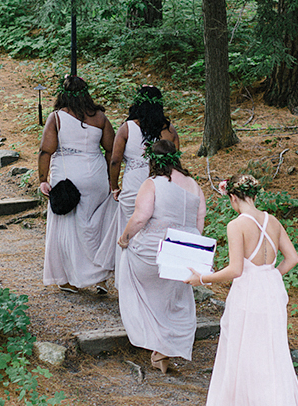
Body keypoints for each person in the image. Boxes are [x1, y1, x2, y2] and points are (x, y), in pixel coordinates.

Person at [191, 173, 298, 406]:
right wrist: (271, 276)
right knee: (271, 355)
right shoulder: (273, 221)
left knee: (243, 353)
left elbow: (236, 269)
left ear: (233, 197)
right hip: (271, 291)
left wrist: (201, 278)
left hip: (249, 293)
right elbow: (292, 259)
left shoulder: (236, 225)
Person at [115, 139, 204, 373]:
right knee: (172, 298)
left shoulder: (153, 183)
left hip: (153, 252)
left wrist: (124, 238)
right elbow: (199, 223)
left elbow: (141, 217)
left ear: (153, 161)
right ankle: (162, 349)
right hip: (185, 252)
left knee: (129, 264)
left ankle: (154, 342)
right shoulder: (194, 185)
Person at [38, 76, 117, 293]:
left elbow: (46, 150)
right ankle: (100, 278)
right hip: (97, 176)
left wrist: (43, 179)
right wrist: (113, 181)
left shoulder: (57, 118)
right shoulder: (100, 117)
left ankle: (66, 279)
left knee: (67, 228)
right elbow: (111, 150)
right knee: (97, 225)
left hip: (68, 177)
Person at [108, 85, 179, 236]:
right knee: (155, 232)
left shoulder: (126, 128)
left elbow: (115, 160)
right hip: (161, 187)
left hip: (132, 187)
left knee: (129, 231)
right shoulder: (170, 130)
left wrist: (114, 187)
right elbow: (176, 164)